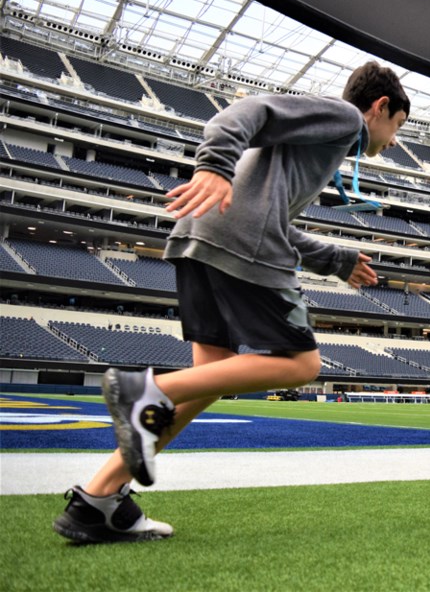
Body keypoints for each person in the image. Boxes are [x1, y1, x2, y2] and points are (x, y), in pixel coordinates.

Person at [53, 61, 409, 544]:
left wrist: (336, 259)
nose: (392, 141)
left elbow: (274, 219)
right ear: (380, 107)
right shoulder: (345, 118)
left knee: (202, 385)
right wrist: (214, 168)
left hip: (203, 237)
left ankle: (97, 500)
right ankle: (143, 390)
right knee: (302, 364)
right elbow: (246, 110)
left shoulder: (317, 146)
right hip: (238, 244)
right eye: (397, 128)